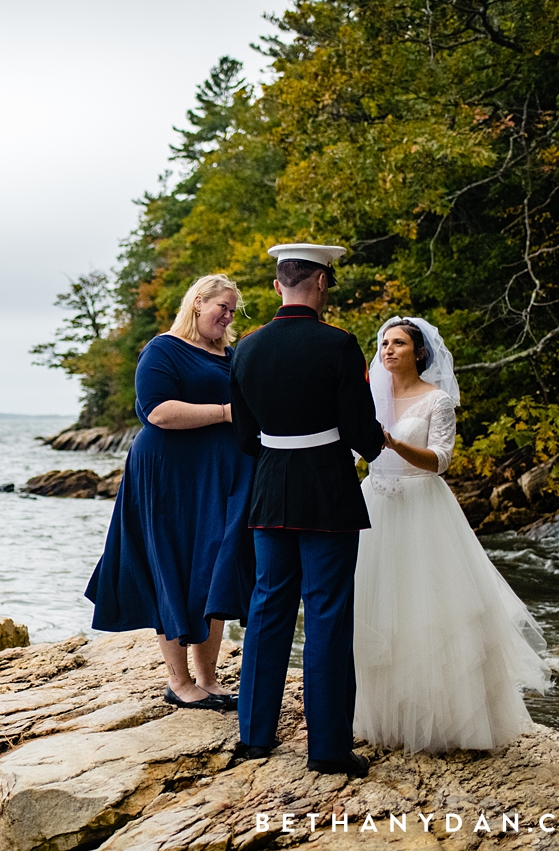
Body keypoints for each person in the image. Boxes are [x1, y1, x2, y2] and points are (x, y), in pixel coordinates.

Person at [353, 317, 551, 753]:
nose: (387, 350)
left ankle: (441, 722)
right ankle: (381, 715)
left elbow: (441, 461)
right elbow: (349, 448)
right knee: (375, 609)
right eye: (384, 343)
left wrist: (393, 444)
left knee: (427, 611)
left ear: (418, 353)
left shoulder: (436, 400)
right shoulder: (370, 397)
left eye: (398, 343)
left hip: (423, 508)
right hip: (375, 506)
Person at [228, 243, 386, 777]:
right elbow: (364, 435)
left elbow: (245, 436)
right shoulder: (339, 344)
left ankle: (254, 737)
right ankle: (327, 750)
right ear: (321, 282)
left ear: (278, 285)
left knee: (268, 610)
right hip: (328, 489)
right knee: (326, 613)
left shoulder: (245, 349)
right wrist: (374, 445)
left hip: (271, 488)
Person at [85, 274, 255, 711]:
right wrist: (224, 413)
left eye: (234, 311)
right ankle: (179, 682)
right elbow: (157, 411)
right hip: (168, 478)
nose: (229, 316)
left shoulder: (231, 356)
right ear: (197, 302)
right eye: (223, 306)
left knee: (215, 567)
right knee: (173, 567)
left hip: (217, 477)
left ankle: (209, 678)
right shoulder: (164, 349)